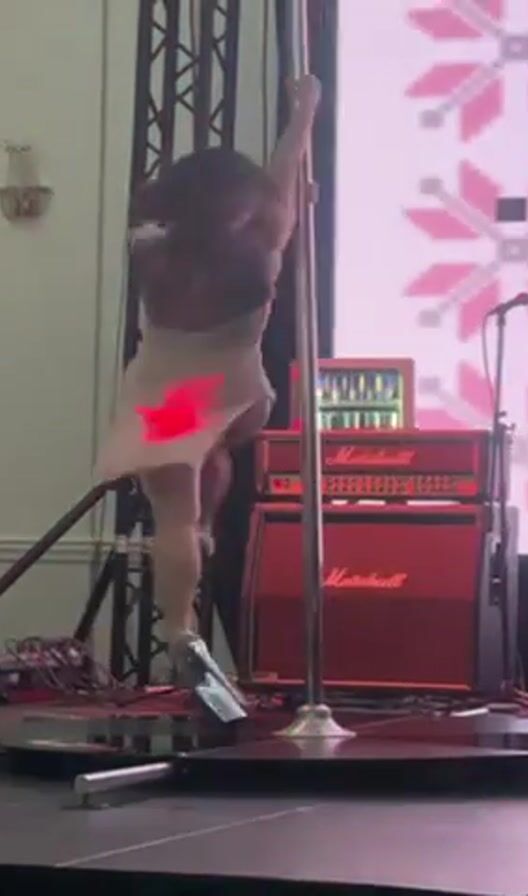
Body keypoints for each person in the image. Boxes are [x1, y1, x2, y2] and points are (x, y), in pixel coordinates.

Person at [96, 75, 321, 721]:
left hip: (166, 393)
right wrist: (303, 114)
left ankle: (179, 629)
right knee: (214, 456)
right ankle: (205, 531)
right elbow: (282, 179)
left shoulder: (149, 247)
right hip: (234, 392)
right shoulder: (261, 251)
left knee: (174, 512)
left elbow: (167, 209)